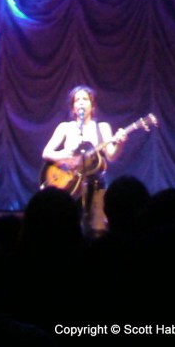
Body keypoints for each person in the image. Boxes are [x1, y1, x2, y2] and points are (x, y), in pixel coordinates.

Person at [41, 85, 126, 236]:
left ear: (92, 106)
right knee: (67, 229)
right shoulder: (65, 128)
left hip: (96, 185)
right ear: (73, 108)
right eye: (77, 100)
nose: (80, 103)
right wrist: (64, 154)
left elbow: (112, 156)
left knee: (96, 230)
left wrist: (120, 143)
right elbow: (46, 153)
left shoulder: (102, 128)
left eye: (85, 99)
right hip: (70, 186)